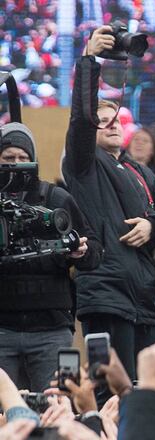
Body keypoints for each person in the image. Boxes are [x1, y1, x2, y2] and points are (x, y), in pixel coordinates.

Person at [60, 26, 155, 380]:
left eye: (115, 119)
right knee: (112, 393)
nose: (110, 125)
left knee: (146, 393)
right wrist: (89, 60)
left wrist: (154, 225)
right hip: (105, 298)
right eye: (101, 122)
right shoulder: (83, 164)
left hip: (144, 301)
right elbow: (81, 121)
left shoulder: (139, 171)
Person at [0, 123, 102, 392]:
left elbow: (94, 252)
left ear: (33, 159)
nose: (16, 165)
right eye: (8, 158)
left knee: (57, 407)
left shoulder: (55, 198)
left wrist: (81, 251)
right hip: (2, 330)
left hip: (51, 328)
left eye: (23, 158)